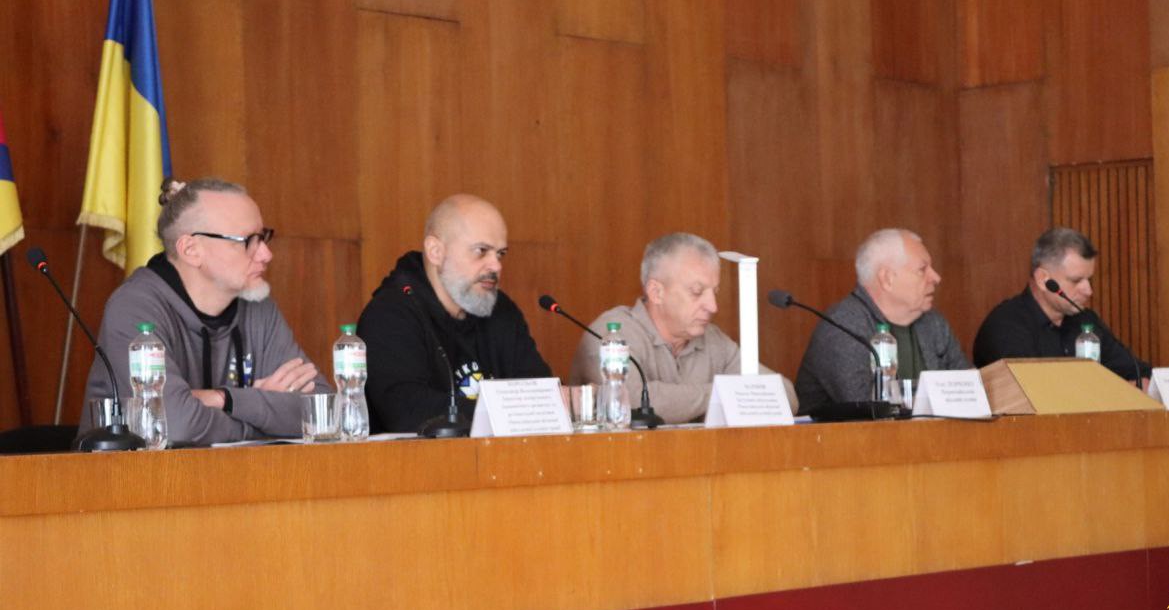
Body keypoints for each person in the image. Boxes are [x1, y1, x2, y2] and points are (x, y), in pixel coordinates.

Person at [79, 178, 327, 445]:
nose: (266, 254)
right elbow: (174, 425)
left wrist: (224, 399)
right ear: (191, 250)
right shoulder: (134, 307)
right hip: (132, 472)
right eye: (248, 241)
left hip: (240, 471)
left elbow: (323, 411)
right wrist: (264, 418)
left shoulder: (258, 305)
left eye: (264, 237)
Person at [358, 194, 551, 432]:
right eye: (481, 251)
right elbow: (406, 412)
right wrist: (509, 411)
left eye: (500, 254)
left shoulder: (501, 310)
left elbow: (541, 396)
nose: (496, 266)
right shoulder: (390, 315)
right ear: (435, 251)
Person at [568, 233, 797, 423]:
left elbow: (784, 395)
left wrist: (727, 395)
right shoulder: (611, 334)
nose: (713, 306)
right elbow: (628, 400)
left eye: (714, 292)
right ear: (656, 292)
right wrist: (723, 394)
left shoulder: (713, 340)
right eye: (697, 292)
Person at [794, 228, 970, 413]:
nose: (936, 278)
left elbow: (968, 394)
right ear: (887, 279)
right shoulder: (843, 326)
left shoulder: (933, 324)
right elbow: (866, 410)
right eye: (922, 270)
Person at [972, 227, 1151, 383]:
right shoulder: (1006, 326)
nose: (1088, 291)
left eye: (1089, 280)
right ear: (1043, 279)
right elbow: (1030, 393)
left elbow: (1140, 376)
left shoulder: (1085, 320)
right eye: (1076, 280)